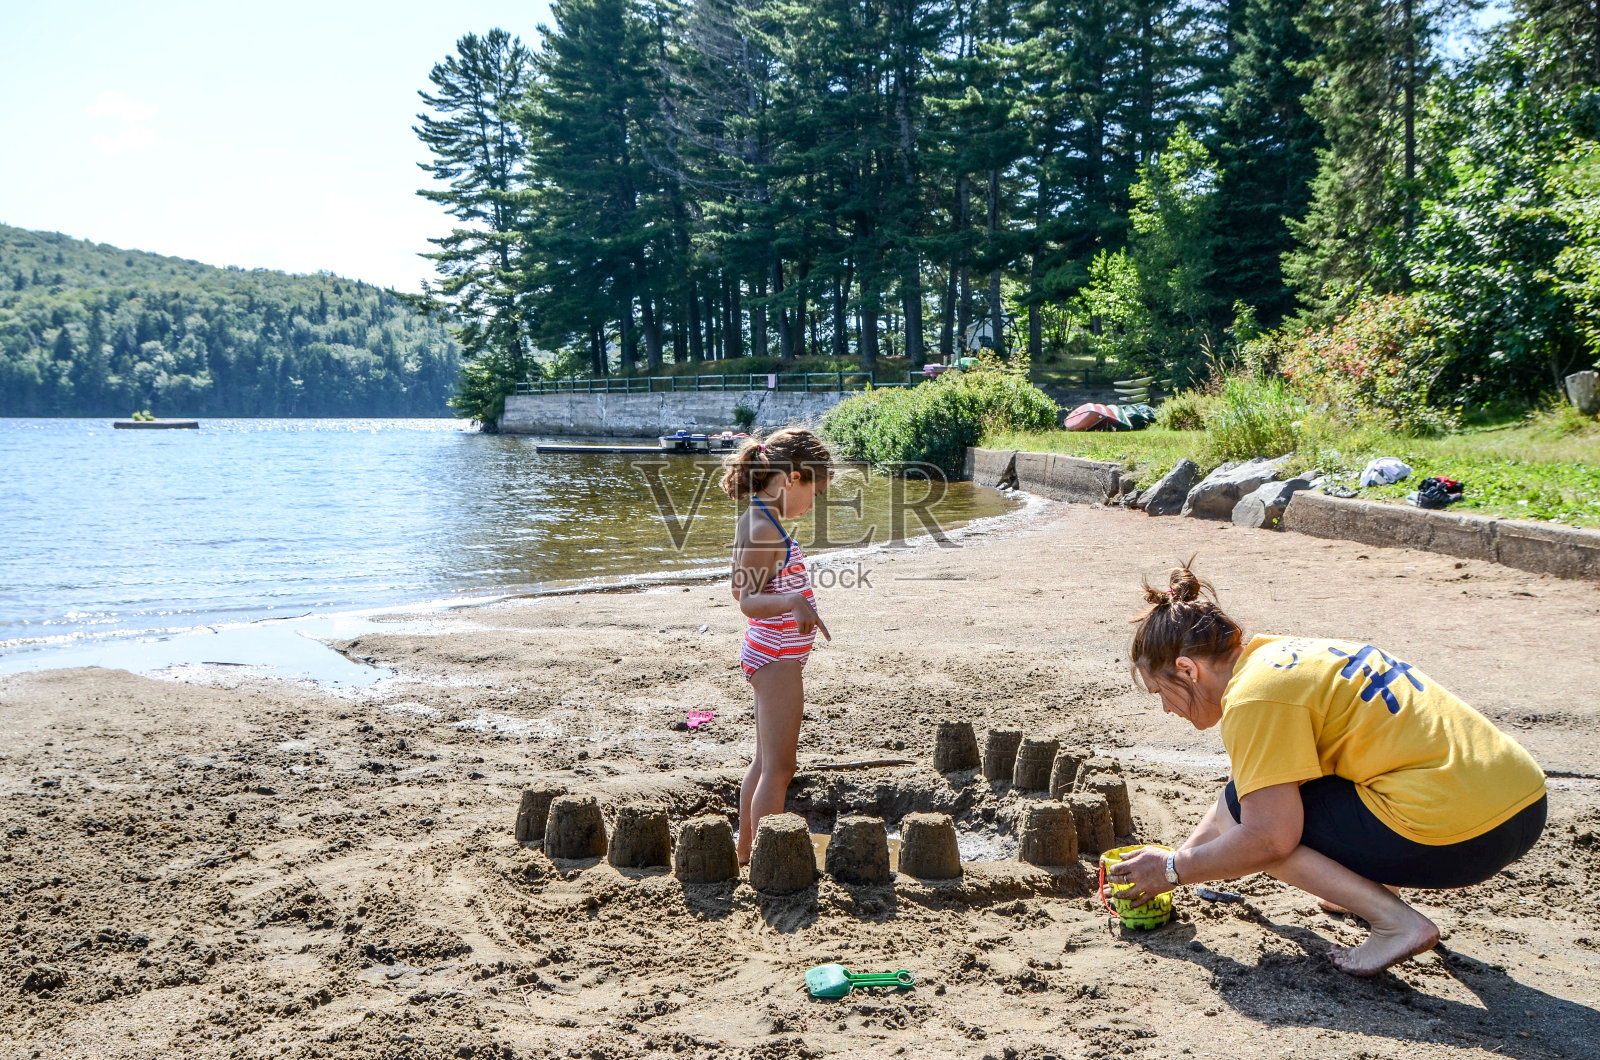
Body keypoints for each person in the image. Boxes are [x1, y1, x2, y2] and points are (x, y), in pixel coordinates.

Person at [1110, 561, 1546, 977]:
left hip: (1466, 835)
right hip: (1522, 802)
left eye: (1160, 692)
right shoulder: (1281, 657)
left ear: (1187, 669)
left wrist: (1172, 870)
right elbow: (1245, 786)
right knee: (1255, 793)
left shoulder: (1253, 699)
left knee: (1260, 825)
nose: (1166, 708)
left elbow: (1266, 838)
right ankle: (1378, 888)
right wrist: (1178, 864)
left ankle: (1397, 924)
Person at [720, 428, 833, 864]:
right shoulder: (763, 527)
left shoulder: (760, 520)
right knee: (781, 769)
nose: (813, 503)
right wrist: (791, 600)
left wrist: (792, 601)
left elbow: (739, 589)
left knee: (765, 763)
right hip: (776, 658)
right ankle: (769, 859)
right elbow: (746, 601)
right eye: (815, 491)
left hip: (775, 655)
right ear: (793, 478)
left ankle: (747, 853)